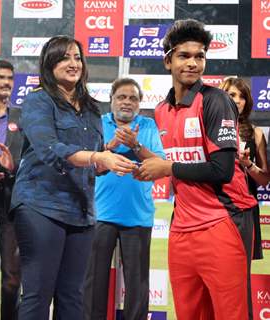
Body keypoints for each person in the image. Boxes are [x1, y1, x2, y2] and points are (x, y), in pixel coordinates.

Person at [135, 19, 258, 319]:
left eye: (199, 56)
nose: (193, 63)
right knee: (189, 315)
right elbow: (178, 161)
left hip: (223, 222)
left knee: (231, 315)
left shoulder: (216, 101)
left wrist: (166, 167)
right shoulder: (161, 110)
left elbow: (222, 170)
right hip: (182, 230)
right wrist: (142, 157)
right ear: (168, 60)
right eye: (184, 56)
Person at [10, 36, 136, 320]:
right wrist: (96, 157)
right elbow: (49, 148)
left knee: (72, 297)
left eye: (77, 57)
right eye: (65, 57)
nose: (73, 63)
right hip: (40, 206)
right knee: (38, 293)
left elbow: (91, 161)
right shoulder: (37, 100)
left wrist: (111, 155)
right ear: (50, 63)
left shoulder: (91, 109)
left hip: (80, 213)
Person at [84, 78, 165, 320]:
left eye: (133, 98)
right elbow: (88, 162)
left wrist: (135, 144)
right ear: (111, 100)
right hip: (100, 214)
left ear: (140, 103)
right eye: (121, 97)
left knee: (138, 285)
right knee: (93, 283)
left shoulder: (148, 125)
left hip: (138, 216)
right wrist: (111, 144)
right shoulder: (98, 124)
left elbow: (159, 164)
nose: (127, 102)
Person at [220, 77, 270, 319]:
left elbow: (263, 180)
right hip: (215, 210)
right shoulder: (208, 127)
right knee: (215, 276)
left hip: (245, 213)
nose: (237, 100)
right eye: (231, 95)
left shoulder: (256, 133)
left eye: (241, 96)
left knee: (240, 280)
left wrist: (247, 163)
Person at [0, 59, 22, 320]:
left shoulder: (21, 118)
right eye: (0, 77)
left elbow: (32, 159)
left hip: (10, 198)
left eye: (9, 78)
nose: (5, 82)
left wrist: (13, 167)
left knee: (13, 277)